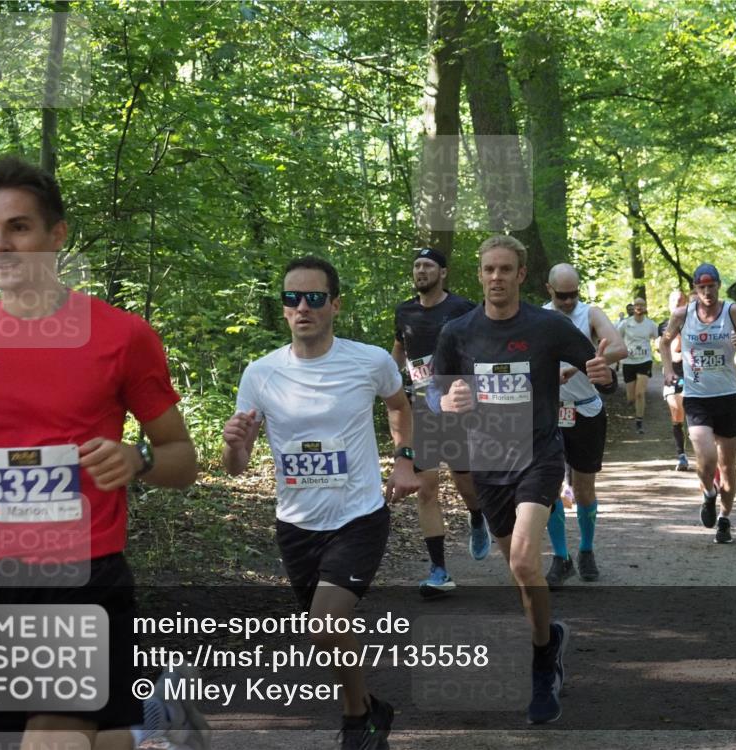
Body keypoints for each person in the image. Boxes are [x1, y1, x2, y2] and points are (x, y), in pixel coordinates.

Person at [0, 157, 206, 750]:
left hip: (81, 572)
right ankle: (151, 725)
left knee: (51, 739)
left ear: (57, 236)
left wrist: (136, 461)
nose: (0, 245)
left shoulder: (120, 336)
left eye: (19, 227)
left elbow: (181, 458)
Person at [223, 256, 419, 749]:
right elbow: (237, 466)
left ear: (335, 304)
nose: (302, 307)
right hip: (295, 524)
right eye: (292, 298)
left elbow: (399, 406)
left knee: (325, 624)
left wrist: (404, 459)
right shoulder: (261, 373)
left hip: (358, 516)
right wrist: (233, 442)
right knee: (328, 637)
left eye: (314, 297)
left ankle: (357, 721)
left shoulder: (369, 360)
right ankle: (368, 710)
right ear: (283, 308)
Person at [431, 235, 614, 724]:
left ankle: (538, 665)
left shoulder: (547, 327)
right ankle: (548, 639)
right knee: (519, 572)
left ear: (520, 274)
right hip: (489, 460)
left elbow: (595, 368)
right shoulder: (457, 332)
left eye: (505, 270)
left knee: (523, 561)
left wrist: (602, 373)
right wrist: (446, 403)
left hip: (539, 453)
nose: (496, 278)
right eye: (489, 269)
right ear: (479, 274)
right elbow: (437, 396)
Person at [392, 247, 489, 598]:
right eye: (416, 265)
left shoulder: (461, 308)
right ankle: (439, 570)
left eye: (428, 265)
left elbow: (480, 349)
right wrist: (392, 379)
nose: (420, 270)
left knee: (464, 479)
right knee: (427, 488)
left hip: (456, 406)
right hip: (422, 409)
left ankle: (477, 516)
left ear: (442, 273)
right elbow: (399, 349)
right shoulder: (404, 310)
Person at [659, 263, 736, 544]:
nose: (707, 292)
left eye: (711, 286)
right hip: (697, 398)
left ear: (718, 286)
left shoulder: (732, 311)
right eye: (701, 287)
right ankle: (708, 494)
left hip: (727, 397)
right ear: (695, 289)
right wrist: (667, 370)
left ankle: (725, 519)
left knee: (727, 466)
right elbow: (664, 342)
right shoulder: (682, 314)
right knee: (706, 460)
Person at [542, 264, 626, 587]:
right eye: (562, 295)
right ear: (549, 289)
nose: (568, 301)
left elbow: (619, 347)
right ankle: (560, 557)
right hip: (550, 413)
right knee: (549, 486)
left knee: (583, 489)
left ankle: (587, 550)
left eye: (574, 294)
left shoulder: (589, 314)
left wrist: (582, 365)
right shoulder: (540, 317)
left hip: (586, 412)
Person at [657, 290, 690, 471]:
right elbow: (667, 349)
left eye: (681, 302)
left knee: (693, 415)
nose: (678, 304)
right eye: (674, 302)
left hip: (694, 375)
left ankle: (699, 448)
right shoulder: (663, 326)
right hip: (674, 376)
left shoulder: (694, 323)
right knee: (677, 414)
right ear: (669, 304)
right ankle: (682, 455)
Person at [616, 297, 657, 434]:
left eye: (642, 304)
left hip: (644, 361)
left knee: (640, 393)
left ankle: (639, 421)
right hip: (628, 362)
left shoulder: (651, 324)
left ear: (645, 307)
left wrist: (659, 349)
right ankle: (635, 410)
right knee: (631, 397)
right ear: (633, 308)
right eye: (636, 305)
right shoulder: (625, 324)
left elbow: (657, 339)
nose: (639, 307)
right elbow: (617, 338)